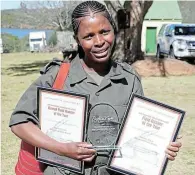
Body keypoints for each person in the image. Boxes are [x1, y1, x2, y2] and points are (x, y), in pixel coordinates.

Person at [10, 1, 182, 175]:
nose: (99, 41)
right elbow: (20, 122)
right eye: (88, 36)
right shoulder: (56, 76)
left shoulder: (129, 78)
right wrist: (61, 148)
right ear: (77, 39)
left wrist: (162, 146)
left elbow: (138, 132)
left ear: (113, 29)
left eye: (104, 32)